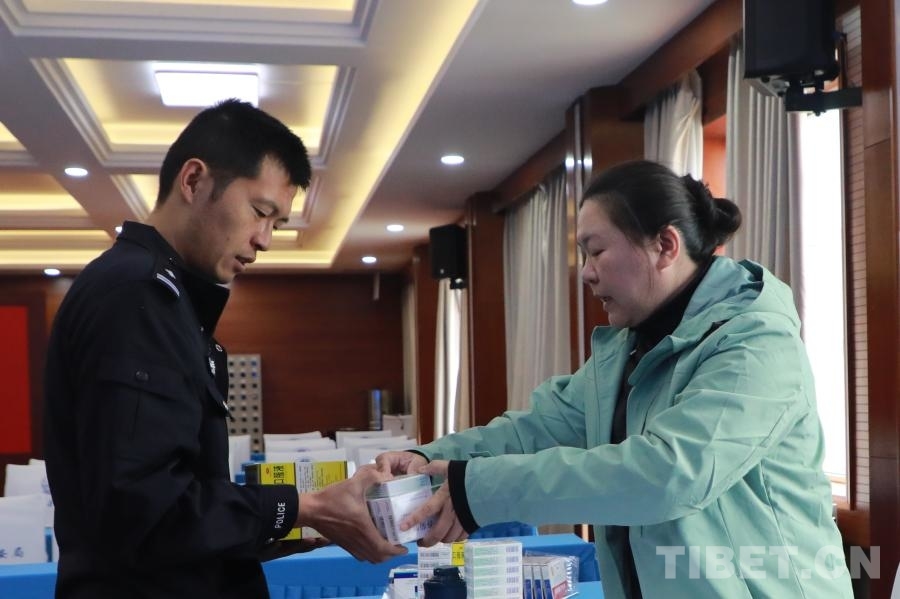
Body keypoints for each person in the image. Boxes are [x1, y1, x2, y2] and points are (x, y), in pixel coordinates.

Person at [378, 160, 853, 598]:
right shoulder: (630, 348)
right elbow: (537, 430)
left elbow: (669, 474)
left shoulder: (756, 344)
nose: (586, 273)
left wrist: (479, 490)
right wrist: (425, 460)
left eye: (596, 251)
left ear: (665, 246)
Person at [44, 99, 405, 599]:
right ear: (194, 181)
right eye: (260, 212)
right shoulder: (137, 296)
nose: (265, 240)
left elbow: (179, 512)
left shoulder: (168, 300)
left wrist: (298, 523)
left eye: (277, 224)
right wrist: (303, 507)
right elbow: (146, 511)